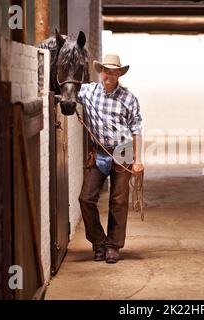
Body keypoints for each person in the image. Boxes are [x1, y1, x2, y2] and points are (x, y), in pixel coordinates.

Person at [77, 54, 143, 263]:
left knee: (118, 200)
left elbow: (136, 129)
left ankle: (113, 245)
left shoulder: (129, 98)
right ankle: (99, 242)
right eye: (107, 71)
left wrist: (138, 159)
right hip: (99, 150)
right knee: (86, 198)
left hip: (123, 151)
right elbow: (67, 90)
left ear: (119, 74)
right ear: (101, 71)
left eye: (114, 72)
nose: (110, 75)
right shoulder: (88, 92)